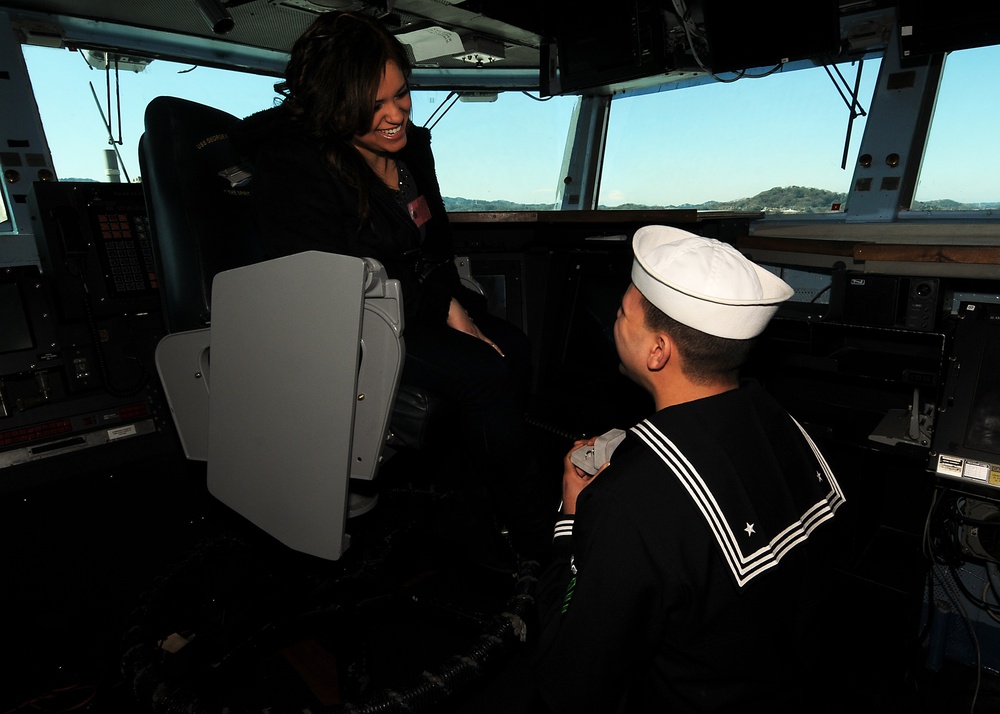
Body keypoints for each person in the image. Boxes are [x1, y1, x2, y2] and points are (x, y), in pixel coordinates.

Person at [227, 11, 554, 565]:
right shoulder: (294, 166)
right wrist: (445, 304)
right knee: (483, 372)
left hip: (412, 308)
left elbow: (438, 248)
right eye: (373, 105)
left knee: (515, 346)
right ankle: (538, 541)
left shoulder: (411, 151)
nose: (396, 113)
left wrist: (452, 300)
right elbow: (327, 284)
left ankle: (480, 501)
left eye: (401, 94)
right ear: (335, 108)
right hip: (348, 326)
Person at [530, 225, 847, 713]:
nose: (613, 321)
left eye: (621, 314)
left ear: (658, 351)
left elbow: (569, 681)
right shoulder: (789, 429)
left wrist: (573, 516)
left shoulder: (623, 504)